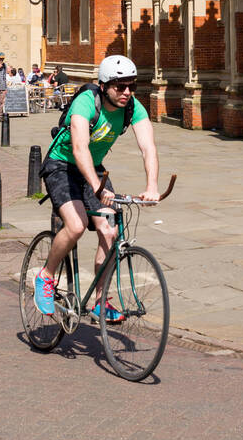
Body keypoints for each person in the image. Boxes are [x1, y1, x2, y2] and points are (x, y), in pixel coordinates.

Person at [33, 56, 160, 321]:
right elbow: (79, 149)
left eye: (131, 86)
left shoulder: (132, 108)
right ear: (104, 85)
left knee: (109, 230)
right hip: (61, 166)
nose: (127, 92)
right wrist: (96, 187)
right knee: (77, 225)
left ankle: (101, 302)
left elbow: (148, 147)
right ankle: (46, 276)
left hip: (95, 168)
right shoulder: (86, 102)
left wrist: (152, 186)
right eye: (120, 86)